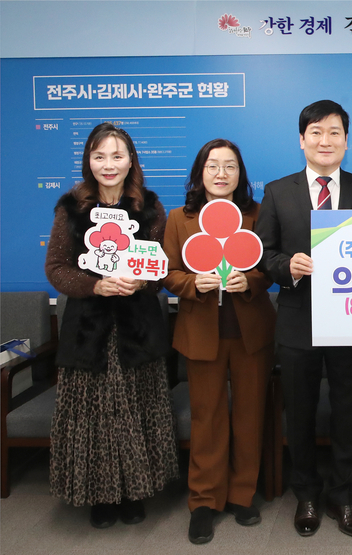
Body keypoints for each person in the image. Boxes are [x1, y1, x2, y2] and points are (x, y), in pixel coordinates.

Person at [255, 100, 352, 538]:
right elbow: (263, 254)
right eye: (316, 132)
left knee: (347, 411)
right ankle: (306, 494)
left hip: (350, 320)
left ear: (346, 141)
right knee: (300, 412)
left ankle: (343, 496)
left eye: (334, 132)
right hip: (297, 319)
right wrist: (287, 267)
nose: (325, 141)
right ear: (302, 140)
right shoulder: (278, 191)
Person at [45, 122, 178, 528]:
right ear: (88, 160)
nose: (108, 164)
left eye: (117, 156)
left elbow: (161, 269)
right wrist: (94, 285)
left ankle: (135, 492)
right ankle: (99, 497)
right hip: (89, 331)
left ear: (130, 160)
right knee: (93, 418)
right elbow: (56, 268)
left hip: (138, 329)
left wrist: (143, 281)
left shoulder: (150, 208)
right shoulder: (71, 208)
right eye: (99, 156)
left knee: (138, 411)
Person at [161, 139, 276, 544]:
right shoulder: (179, 218)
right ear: (200, 172)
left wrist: (253, 281)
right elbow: (168, 272)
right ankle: (204, 501)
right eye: (213, 166)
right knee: (206, 417)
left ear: (240, 174)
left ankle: (242, 494)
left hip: (250, 332)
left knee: (249, 414)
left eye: (230, 166)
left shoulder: (257, 214)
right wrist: (193, 283)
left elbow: (271, 264)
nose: (221, 173)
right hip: (201, 332)